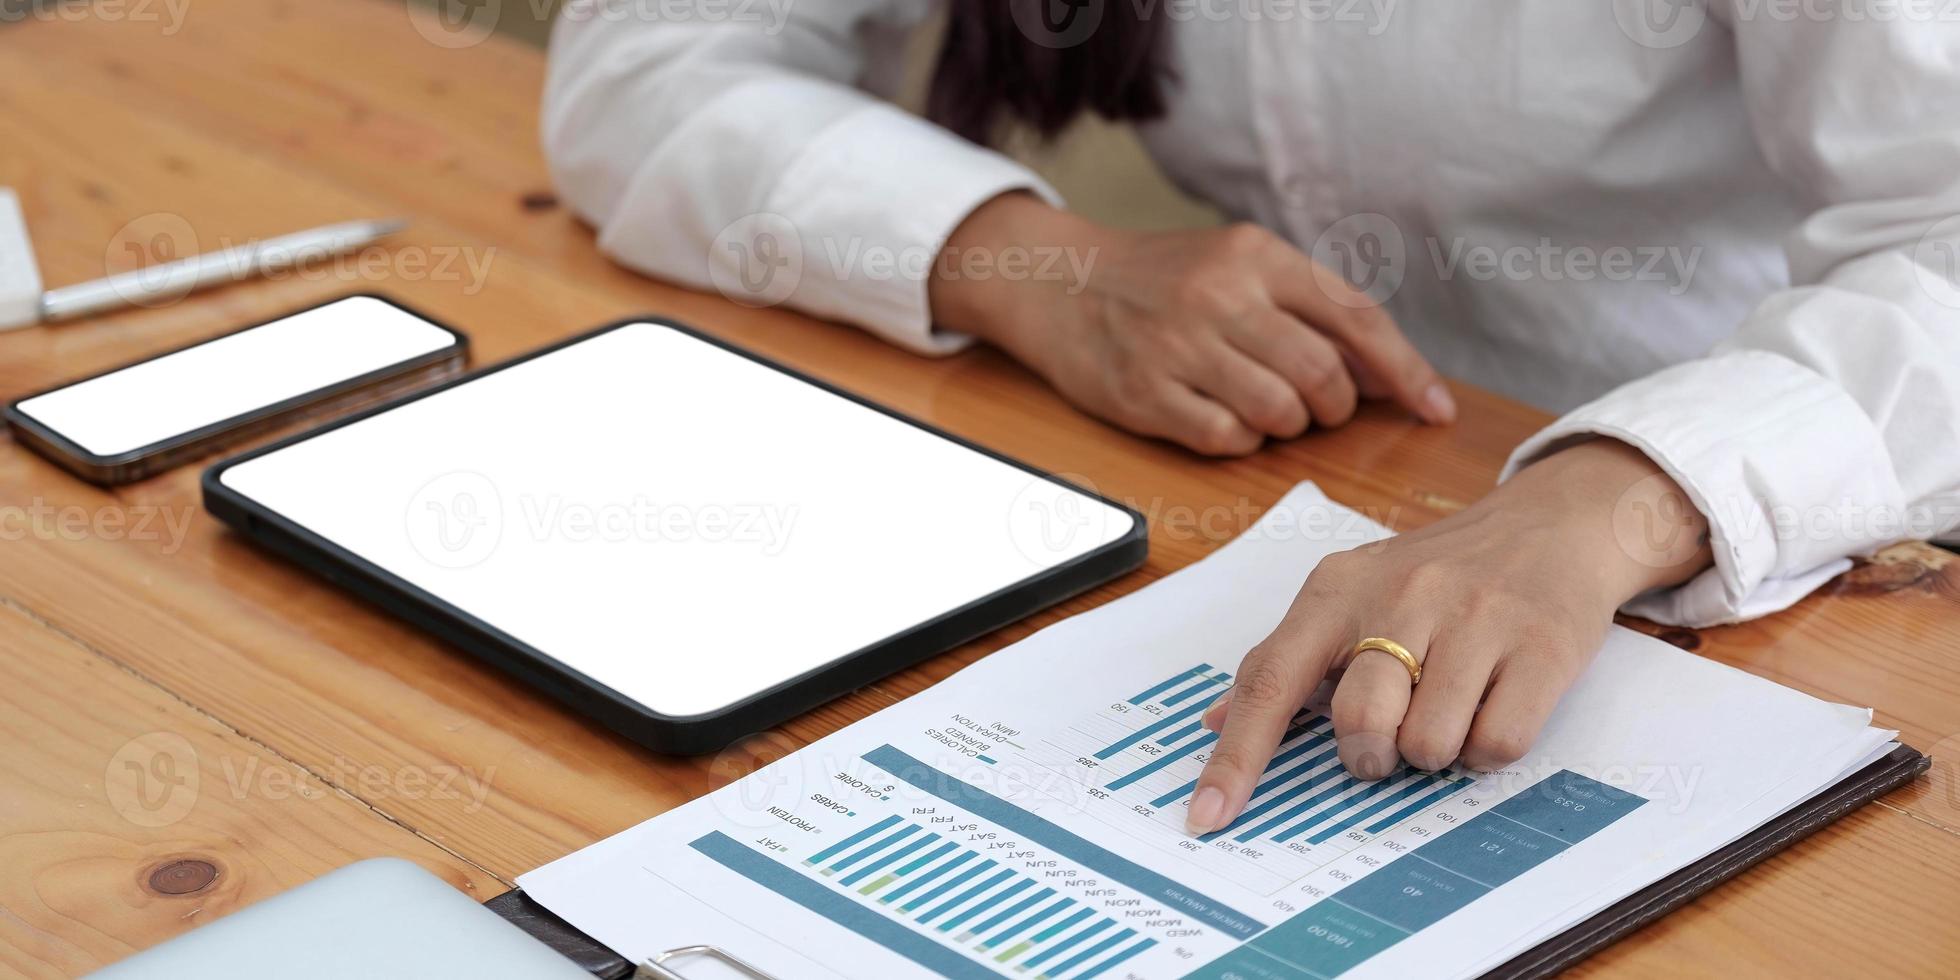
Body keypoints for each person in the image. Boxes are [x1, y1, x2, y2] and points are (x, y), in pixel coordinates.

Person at [542, 1, 1960, 835]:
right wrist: (1032, 267)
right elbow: (652, 65)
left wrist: (1620, 494)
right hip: (1292, 459)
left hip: (1822, 510)